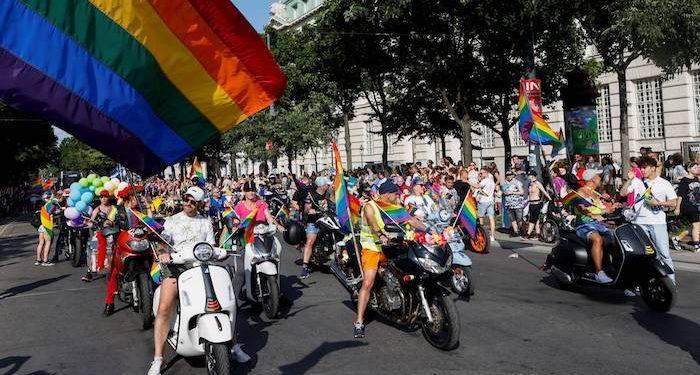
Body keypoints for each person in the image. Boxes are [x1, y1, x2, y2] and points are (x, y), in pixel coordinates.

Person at [147, 186, 249, 375]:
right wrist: (163, 254)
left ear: (200, 203)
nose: (188, 203)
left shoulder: (205, 222)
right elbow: (163, 242)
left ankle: (233, 345)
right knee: (164, 308)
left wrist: (219, 251)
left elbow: (210, 245)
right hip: (177, 268)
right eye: (186, 199)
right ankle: (158, 358)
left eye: (193, 201)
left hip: (202, 266)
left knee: (225, 302)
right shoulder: (171, 221)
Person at [353, 181, 425, 339]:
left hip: (392, 247)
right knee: (368, 282)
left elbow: (411, 221)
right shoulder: (370, 206)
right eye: (395, 193)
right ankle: (359, 321)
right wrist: (380, 235)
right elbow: (372, 221)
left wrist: (431, 231)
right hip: (372, 247)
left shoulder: (394, 207)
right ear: (387, 195)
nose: (398, 195)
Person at [629, 156, 678, 282]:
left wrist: (658, 203)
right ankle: (641, 284)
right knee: (642, 255)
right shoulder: (638, 182)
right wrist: (629, 181)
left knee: (664, 254)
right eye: (641, 168)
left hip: (657, 223)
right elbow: (624, 195)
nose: (642, 170)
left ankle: (671, 282)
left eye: (644, 167)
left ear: (652, 168)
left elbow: (673, 203)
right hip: (639, 222)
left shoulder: (663, 183)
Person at [571, 169, 618, 283]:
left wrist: (613, 207)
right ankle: (598, 272)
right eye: (598, 176)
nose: (600, 178)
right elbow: (582, 209)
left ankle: (616, 272)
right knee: (597, 239)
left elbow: (602, 210)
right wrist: (599, 212)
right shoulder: (581, 192)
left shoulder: (596, 193)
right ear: (593, 179)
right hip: (584, 224)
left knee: (617, 240)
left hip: (598, 224)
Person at [300, 176, 333, 279]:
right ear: (321, 186)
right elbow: (306, 209)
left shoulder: (329, 194)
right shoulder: (310, 195)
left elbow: (335, 204)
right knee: (310, 241)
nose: (329, 186)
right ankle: (305, 266)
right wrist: (311, 211)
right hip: (313, 221)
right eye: (327, 185)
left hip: (328, 220)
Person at [83, 190, 114, 282]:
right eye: (102, 197)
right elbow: (91, 221)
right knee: (93, 250)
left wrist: (112, 223)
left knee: (113, 251)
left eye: (106, 197)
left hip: (112, 233)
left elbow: (118, 218)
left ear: (108, 198)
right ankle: (90, 271)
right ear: (100, 199)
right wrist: (88, 223)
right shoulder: (97, 209)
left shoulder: (113, 208)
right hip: (99, 233)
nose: (104, 199)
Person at [675, 162, 700, 253]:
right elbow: (680, 195)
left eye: (697, 167)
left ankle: (677, 238)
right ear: (688, 169)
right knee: (696, 225)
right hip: (688, 206)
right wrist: (677, 208)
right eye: (694, 167)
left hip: (697, 205)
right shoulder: (684, 180)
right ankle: (697, 246)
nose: (697, 169)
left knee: (696, 226)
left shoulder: (697, 179)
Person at [524, 171, 552, 241]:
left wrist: (550, 199)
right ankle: (538, 235)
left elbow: (544, 191)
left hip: (537, 204)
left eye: (529, 175)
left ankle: (527, 234)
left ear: (532, 176)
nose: (528, 177)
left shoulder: (537, 183)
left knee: (532, 220)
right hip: (531, 203)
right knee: (536, 220)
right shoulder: (530, 184)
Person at [474, 168, 497, 242]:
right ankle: (492, 236)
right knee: (491, 218)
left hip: (483, 201)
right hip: (490, 200)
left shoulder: (485, 180)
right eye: (480, 173)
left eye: (482, 173)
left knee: (480, 217)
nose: (480, 175)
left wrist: (468, 181)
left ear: (486, 173)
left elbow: (477, 187)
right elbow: (486, 192)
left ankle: (481, 233)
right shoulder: (491, 181)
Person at [35, 192, 58, 266]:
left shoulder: (44, 205)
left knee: (41, 243)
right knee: (48, 242)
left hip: (41, 226)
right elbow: (50, 213)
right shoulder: (51, 204)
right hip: (46, 226)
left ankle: (38, 260)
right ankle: (45, 261)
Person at [502, 171, 525, 237]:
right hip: (508, 203)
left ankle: (521, 229)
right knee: (512, 219)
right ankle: (516, 231)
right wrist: (504, 193)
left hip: (517, 203)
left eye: (510, 175)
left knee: (519, 218)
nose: (509, 176)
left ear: (513, 175)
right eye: (507, 175)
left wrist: (512, 192)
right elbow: (503, 191)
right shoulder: (505, 183)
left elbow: (522, 192)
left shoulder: (517, 182)